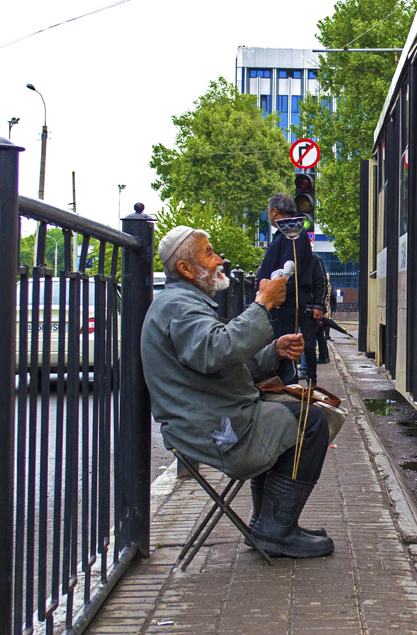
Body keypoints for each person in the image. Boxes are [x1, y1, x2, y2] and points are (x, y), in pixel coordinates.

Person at [141, 225, 333, 558]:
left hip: (215, 418)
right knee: (312, 421)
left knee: (294, 409)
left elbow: (220, 361)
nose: (219, 260)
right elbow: (219, 351)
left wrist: (274, 351)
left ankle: (269, 523)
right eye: (208, 253)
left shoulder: (182, 302)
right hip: (215, 429)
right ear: (185, 269)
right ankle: (275, 530)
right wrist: (263, 303)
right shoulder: (181, 308)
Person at [255, 194, 324, 385]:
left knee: (283, 347)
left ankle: (285, 388)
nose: (269, 215)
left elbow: (289, 270)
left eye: (269, 212)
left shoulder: (291, 232)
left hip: (284, 302)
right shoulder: (289, 233)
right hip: (284, 301)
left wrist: (275, 296)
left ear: (274, 211)